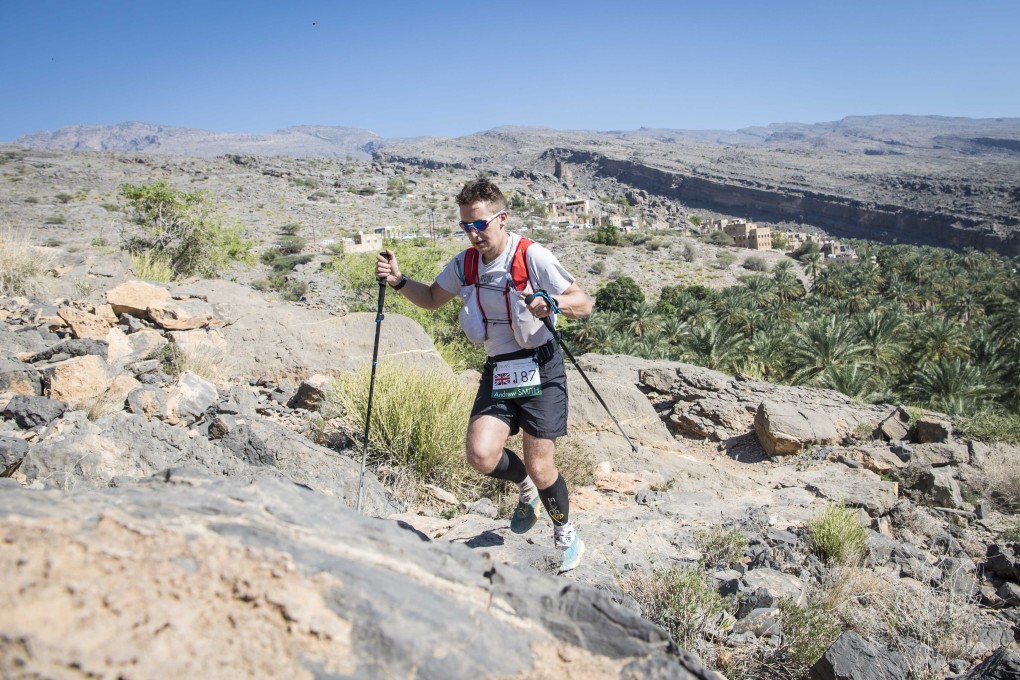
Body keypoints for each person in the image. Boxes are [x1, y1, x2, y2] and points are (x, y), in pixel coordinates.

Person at [375, 178, 593, 572]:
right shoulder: (465, 264)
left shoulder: (532, 255)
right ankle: (524, 486)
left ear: (502, 219)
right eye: (465, 226)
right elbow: (430, 299)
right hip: (500, 370)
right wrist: (398, 281)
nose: (473, 233)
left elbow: (583, 302)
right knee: (480, 455)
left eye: (479, 224)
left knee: (544, 464)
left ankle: (566, 535)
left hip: (540, 367)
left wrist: (552, 303)